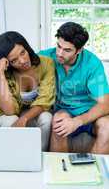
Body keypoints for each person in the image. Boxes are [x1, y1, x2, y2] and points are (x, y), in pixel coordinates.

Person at [39, 21, 109, 154]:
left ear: (79, 50)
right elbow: (22, 62)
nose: (59, 53)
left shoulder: (92, 64)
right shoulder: (46, 56)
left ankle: (93, 173)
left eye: (67, 50)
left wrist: (78, 121)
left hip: (90, 113)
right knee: (59, 121)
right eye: (58, 46)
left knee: (107, 127)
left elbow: (105, 104)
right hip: (64, 111)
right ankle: (60, 173)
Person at [0, 31, 55, 151]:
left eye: (23, 52)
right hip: (0, 114)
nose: (22, 61)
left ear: (26, 47)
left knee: (46, 118)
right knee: (12, 119)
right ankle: (16, 158)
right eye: (14, 60)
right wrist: (0, 73)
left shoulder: (46, 63)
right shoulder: (6, 72)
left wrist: (24, 118)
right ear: (7, 62)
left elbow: (45, 101)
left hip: (25, 113)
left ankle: (39, 155)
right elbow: (10, 110)